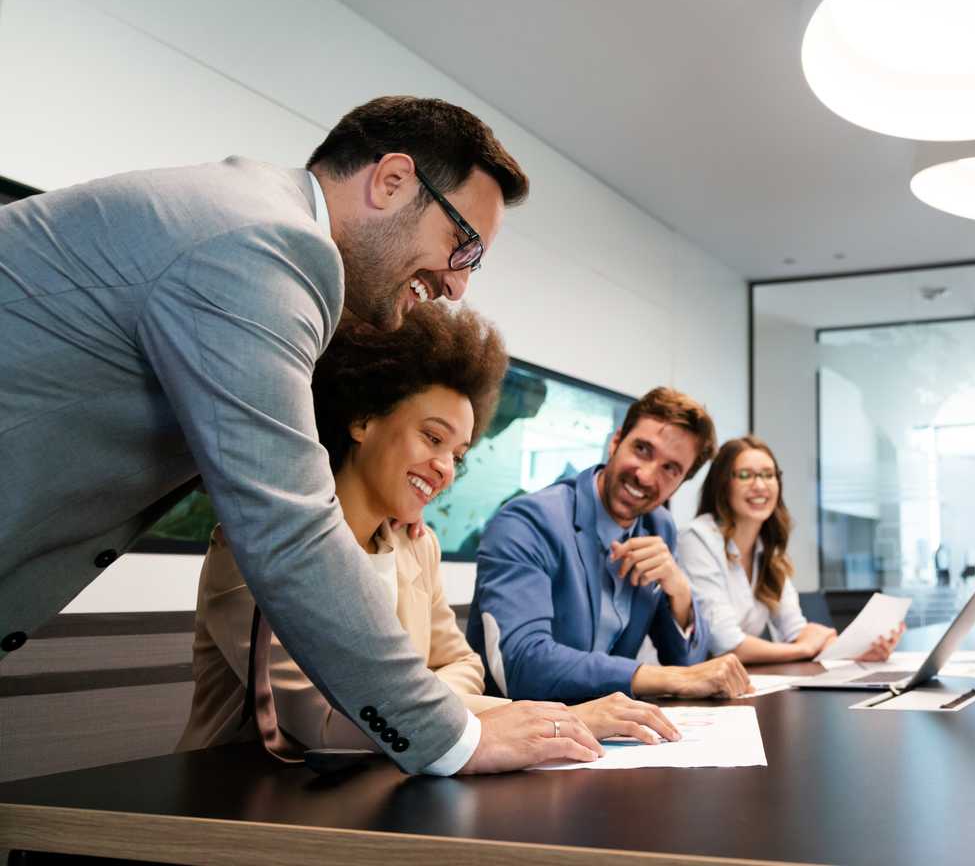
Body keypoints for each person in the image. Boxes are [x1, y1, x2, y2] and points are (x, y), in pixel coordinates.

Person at [0, 95, 599, 775]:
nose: (458, 283)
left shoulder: (248, 219)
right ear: (392, 180)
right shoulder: (268, 245)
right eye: (462, 244)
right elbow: (287, 528)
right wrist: (456, 739)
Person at [176, 305, 678, 755]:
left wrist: (421, 700)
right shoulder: (256, 545)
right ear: (362, 418)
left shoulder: (418, 547)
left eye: (457, 455)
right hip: (238, 806)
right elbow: (325, 724)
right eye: (432, 437)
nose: (444, 468)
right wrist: (552, 718)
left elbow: (462, 663)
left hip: (387, 785)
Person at [469, 387, 752, 703]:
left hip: (608, 731)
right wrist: (655, 676)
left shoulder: (659, 527)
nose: (646, 476)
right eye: (643, 449)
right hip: (524, 733)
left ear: (680, 483)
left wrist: (680, 593)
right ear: (616, 441)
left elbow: (689, 666)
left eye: (670, 469)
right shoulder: (528, 522)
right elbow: (522, 666)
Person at [680, 436, 904, 663]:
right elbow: (726, 645)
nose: (759, 485)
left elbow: (796, 630)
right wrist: (803, 650)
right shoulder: (697, 538)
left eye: (768, 475)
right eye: (745, 475)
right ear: (722, 484)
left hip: (728, 682)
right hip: (676, 687)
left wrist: (858, 652)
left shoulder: (768, 551)